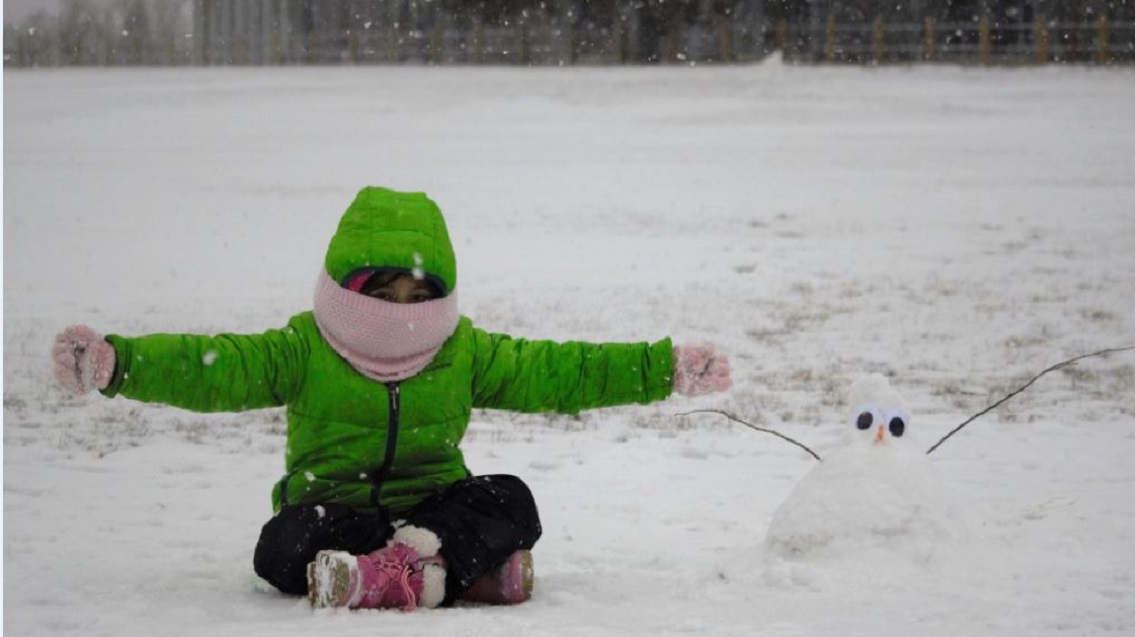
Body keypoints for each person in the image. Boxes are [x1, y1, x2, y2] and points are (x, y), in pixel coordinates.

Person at [52, 187, 732, 612]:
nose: (401, 314)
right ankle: (454, 576)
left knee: (512, 499)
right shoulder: (303, 348)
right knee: (280, 546)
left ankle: (397, 573)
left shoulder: (464, 351)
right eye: (383, 295)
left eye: (418, 296)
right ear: (348, 291)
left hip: (434, 512)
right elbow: (214, 368)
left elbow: (561, 372)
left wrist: (660, 368)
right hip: (336, 517)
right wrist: (121, 363)